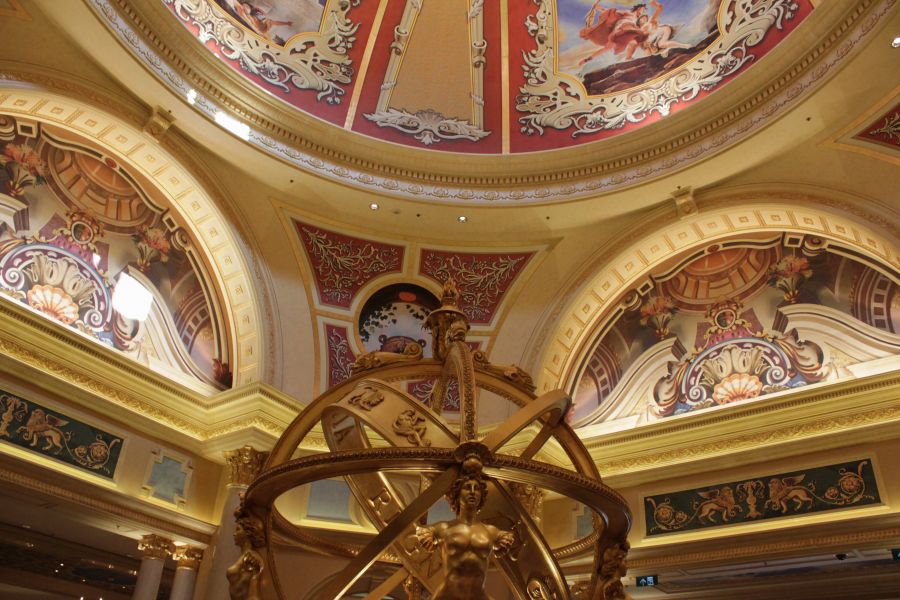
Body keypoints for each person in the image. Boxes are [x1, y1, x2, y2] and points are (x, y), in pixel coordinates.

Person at [416, 469, 514, 599]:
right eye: (467, 488)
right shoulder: (443, 529)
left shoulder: (492, 532)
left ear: (482, 496)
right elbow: (420, 531)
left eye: (477, 488)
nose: (472, 492)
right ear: (457, 494)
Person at [227, 506, 266, 600]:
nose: (234, 534)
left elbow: (253, 594)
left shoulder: (252, 558)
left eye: (238, 529)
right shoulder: (243, 556)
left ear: (247, 532)